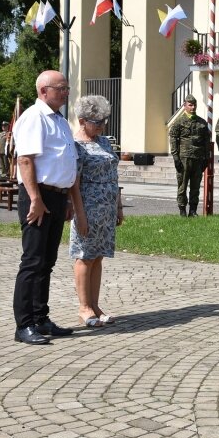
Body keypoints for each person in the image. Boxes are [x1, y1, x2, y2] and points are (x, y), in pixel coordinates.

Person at [12, 70, 78, 345]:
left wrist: (67, 199)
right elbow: (25, 161)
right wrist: (36, 199)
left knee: (47, 262)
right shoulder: (34, 118)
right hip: (38, 196)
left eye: (67, 87)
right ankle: (24, 324)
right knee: (33, 261)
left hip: (57, 197)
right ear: (43, 91)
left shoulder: (60, 120)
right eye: (61, 88)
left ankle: (41, 318)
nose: (66, 92)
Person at [68, 94, 123, 328]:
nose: (101, 126)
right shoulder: (76, 145)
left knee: (98, 256)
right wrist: (80, 215)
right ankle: (84, 308)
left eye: (103, 121)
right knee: (85, 256)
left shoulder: (104, 142)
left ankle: (95, 304)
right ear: (82, 121)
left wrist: (119, 206)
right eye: (96, 122)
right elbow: (74, 183)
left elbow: (114, 174)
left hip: (107, 207)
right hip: (88, 207)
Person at [168, 94, 210, 217]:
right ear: (184, 106)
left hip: (197, 158)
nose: (193, 107)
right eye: (190, 105)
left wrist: (206, 157)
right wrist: (176, 158)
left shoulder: (201, 123)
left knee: (195, 186)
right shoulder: (178, 122)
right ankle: (182, 210)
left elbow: (206, 142)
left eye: (194, 105)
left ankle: (193, 210)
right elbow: (174, 141)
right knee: (182, 185)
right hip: (184, 158)